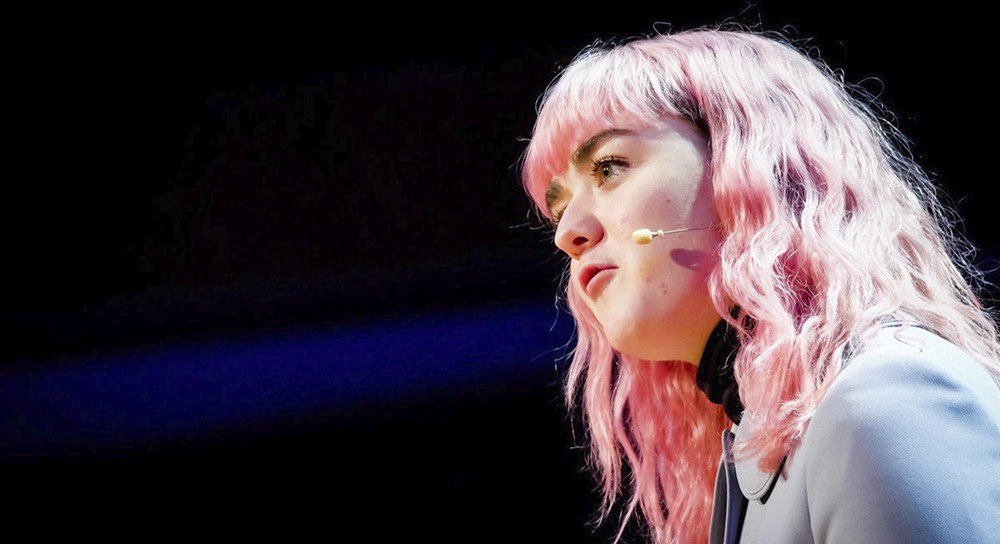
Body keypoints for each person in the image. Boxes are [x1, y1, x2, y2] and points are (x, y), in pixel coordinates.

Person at [517, 23, 1000, 544]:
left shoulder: (884, 399)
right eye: (559, 210)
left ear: (753, 163)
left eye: (609, 168)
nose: (567, 233)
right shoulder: (759, 445)